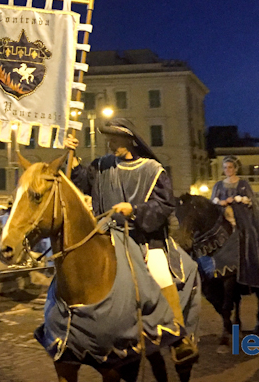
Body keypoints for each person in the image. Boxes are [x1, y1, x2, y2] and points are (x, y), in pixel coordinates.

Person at [65, 117, 198, 364]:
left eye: (114, 140)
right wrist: (72, 160)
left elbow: (164, 205)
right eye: (108, 140)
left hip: (143, 238)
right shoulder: (102, 165)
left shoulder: (152, 170)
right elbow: (83, 183)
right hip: (106, 235)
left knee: (160, 273)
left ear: (130, 140)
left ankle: (177, 335)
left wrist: (134, 210)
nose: (110, 145)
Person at [211, 156, 259, 332]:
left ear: (235, 168)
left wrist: (239, 199)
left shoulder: (243, 184)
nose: (228, 170)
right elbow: (213, 201)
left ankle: (254, 265)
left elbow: (251, 201)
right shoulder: (218, 185)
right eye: (225, 167)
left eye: (230, 167)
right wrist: (222, 202)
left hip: (243, 222)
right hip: (224, 221)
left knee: (251, 237)